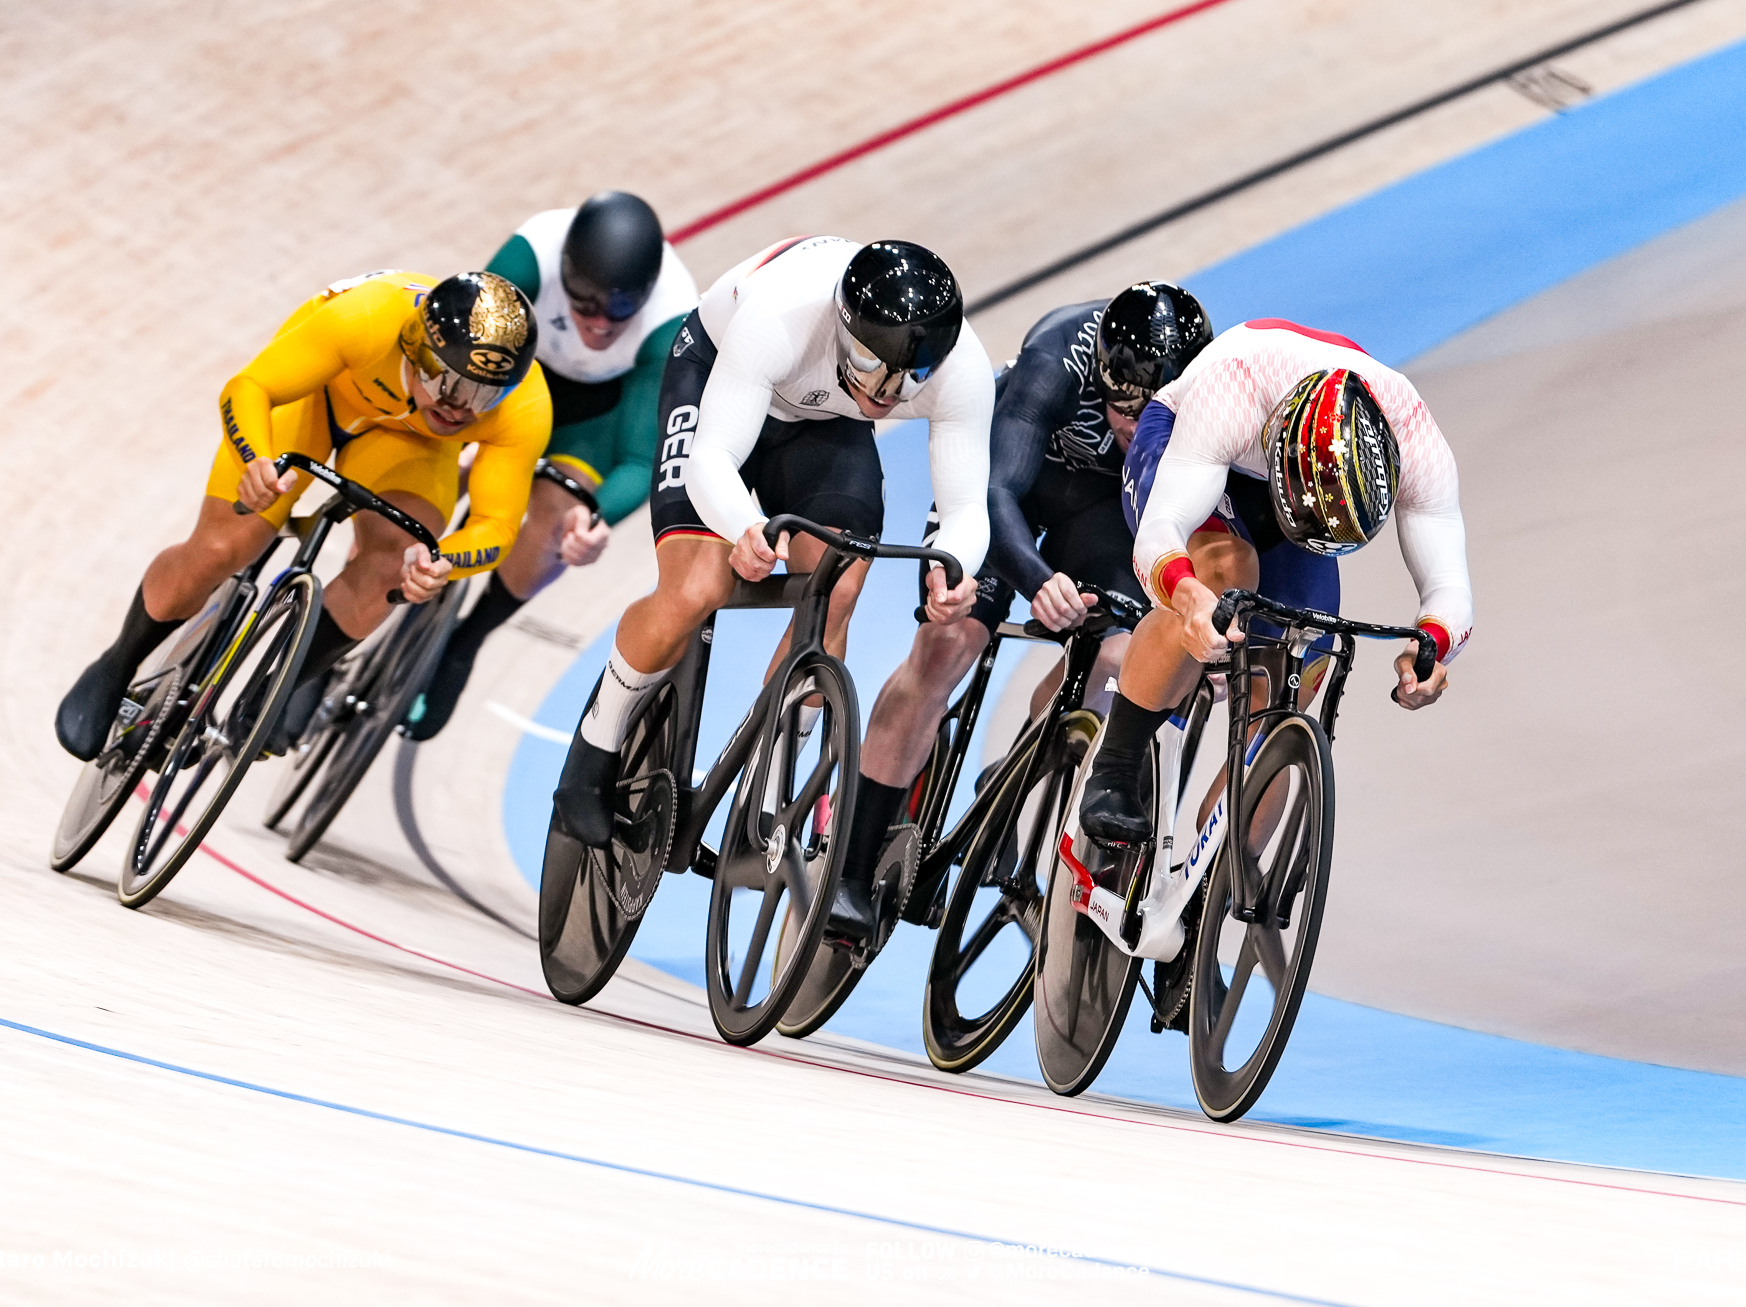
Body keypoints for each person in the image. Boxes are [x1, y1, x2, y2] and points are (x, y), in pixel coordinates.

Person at [551, 236, 995, 874]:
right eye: (875, 368)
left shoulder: (959, 369)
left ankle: (768, 792)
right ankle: (591, 755)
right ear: (845, 332)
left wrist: (951, 569)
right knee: (696, 589)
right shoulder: (781, 317)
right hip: (716, 375)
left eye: (910, 378)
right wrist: (745, 526)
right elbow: (712, 460)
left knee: (836, 586)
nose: (891, 392)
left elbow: (964, 511)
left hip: (822, 416)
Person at [828, 281, 1213, 937]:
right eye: (1122, 409)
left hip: (1102, 513)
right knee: (947, 644)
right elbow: (995, 493)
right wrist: (1035, 579)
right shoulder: (1056, 358)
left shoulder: (1207, 395)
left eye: (1154, 414)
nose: (1135, 426)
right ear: (1102, 376)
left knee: (1121, 659)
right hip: (1008, 487)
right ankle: (852, 868)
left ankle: (1015, 773)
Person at [54, 270, 547, 762]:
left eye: (486, 395)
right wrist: (254, 459)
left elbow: (497, 525)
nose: (460, 408)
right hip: (317, 393)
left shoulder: (526, 405)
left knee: (394, 567)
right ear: (417, 351)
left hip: (410, 445)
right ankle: (120, 661)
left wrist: (442, 562)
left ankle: (274, 693)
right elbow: (250, 387)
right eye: (449, 383)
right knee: (225, 546)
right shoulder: (367, 319)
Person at [1079, 317, 1474, 844]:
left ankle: (1216, 879)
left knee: (1299, 661)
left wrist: (1433, 648)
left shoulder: (1413, 438)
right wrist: (1187, 593)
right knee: (1222, 572)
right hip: (1189, 437)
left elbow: (1449, 582)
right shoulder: (1233, 390)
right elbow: (1160, 532)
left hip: (1299, 497)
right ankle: (1118, 762)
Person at [406, 192, 700, 739]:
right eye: (585, 304)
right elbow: (451, 351)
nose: (599, 322)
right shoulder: (531, 255)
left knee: (556, 520)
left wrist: (594, 520)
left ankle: (465, 644)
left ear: (646, 295)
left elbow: (641, 459)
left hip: (595, 415)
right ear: (563, 275)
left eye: (620, 309)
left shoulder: (670, 318)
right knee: (433, 467)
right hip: (504, 382)